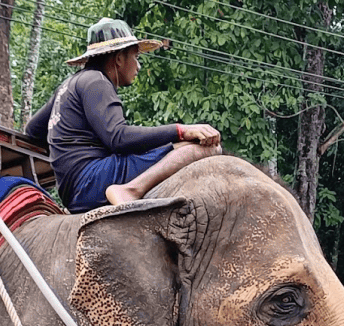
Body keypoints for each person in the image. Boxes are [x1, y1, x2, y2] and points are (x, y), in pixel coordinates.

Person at [25, 17, 222, 213]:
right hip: (93, 181)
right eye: (136, 57)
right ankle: (130, 190)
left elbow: (32, 130)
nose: (138, 66)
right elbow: (118, 138)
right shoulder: (96, 82)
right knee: (205, 148)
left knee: (177, 147)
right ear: (119, 58)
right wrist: (181, 130)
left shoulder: (70, 84)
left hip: (73, 190)